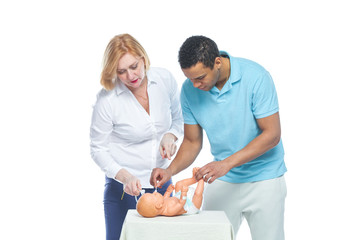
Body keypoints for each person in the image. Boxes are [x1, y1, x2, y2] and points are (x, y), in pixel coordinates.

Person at [151, 35, 287, 240]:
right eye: (190, 79)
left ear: (217, 62)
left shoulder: (256, 77)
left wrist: (226, 164)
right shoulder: (189, 90)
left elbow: (272, 135)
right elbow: (192, 141)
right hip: (222, 179)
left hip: (265, 178)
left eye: (200, 78)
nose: (195, 85)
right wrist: (169, 170)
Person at [90, 33, 183, 240]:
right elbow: (98, 149)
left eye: (134, 66)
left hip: (162, 185)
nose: (131, 76)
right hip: (124, 188)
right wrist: (126, 177)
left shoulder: (165, 79)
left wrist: (171, 135)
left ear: (143, 58)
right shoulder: (107, 99)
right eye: (121, 71)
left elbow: (179, 118)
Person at [137, 167, 204, 217]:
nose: (154, 193)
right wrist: (183, 193)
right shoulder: (169, 211)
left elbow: (166, 198)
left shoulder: (162, 203)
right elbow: (181, 204)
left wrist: (168, 191)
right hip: (190, 206)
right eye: (154, 195)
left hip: (179, 197)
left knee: (178, 184)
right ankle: (201, 179)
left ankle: (194, 179)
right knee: (197, 194)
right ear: (158, 205)